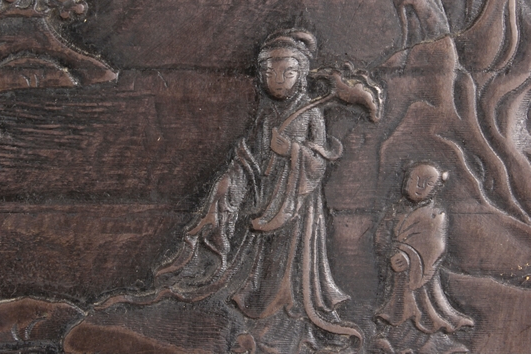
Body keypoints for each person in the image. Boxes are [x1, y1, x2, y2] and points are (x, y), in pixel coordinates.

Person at [96, 28, 361, 352]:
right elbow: (251, 155)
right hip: (263, 199)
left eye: (287, 73)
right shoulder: (268, 112)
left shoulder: (312, 113)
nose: (278, 81)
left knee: (289, 265)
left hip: (296, 206)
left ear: (302, 75)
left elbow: (319, 162)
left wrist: (292, 151)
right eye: (270, 73)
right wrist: (233, 179)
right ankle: (254, 307)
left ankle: (286, 324)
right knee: (259, 264)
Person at [373, 163, 474, 353]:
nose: (418, 187)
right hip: (397, 271)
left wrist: (408, 256)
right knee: (398, 304)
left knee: (423, 305)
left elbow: (436, 246)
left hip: (420, 272)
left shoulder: (436, 214)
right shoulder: (396, 210)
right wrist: (390, 252)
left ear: (435, 188)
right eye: (414, 180)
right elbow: (382, 234)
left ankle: (426, 339)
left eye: (426, 183)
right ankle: (396, 336)